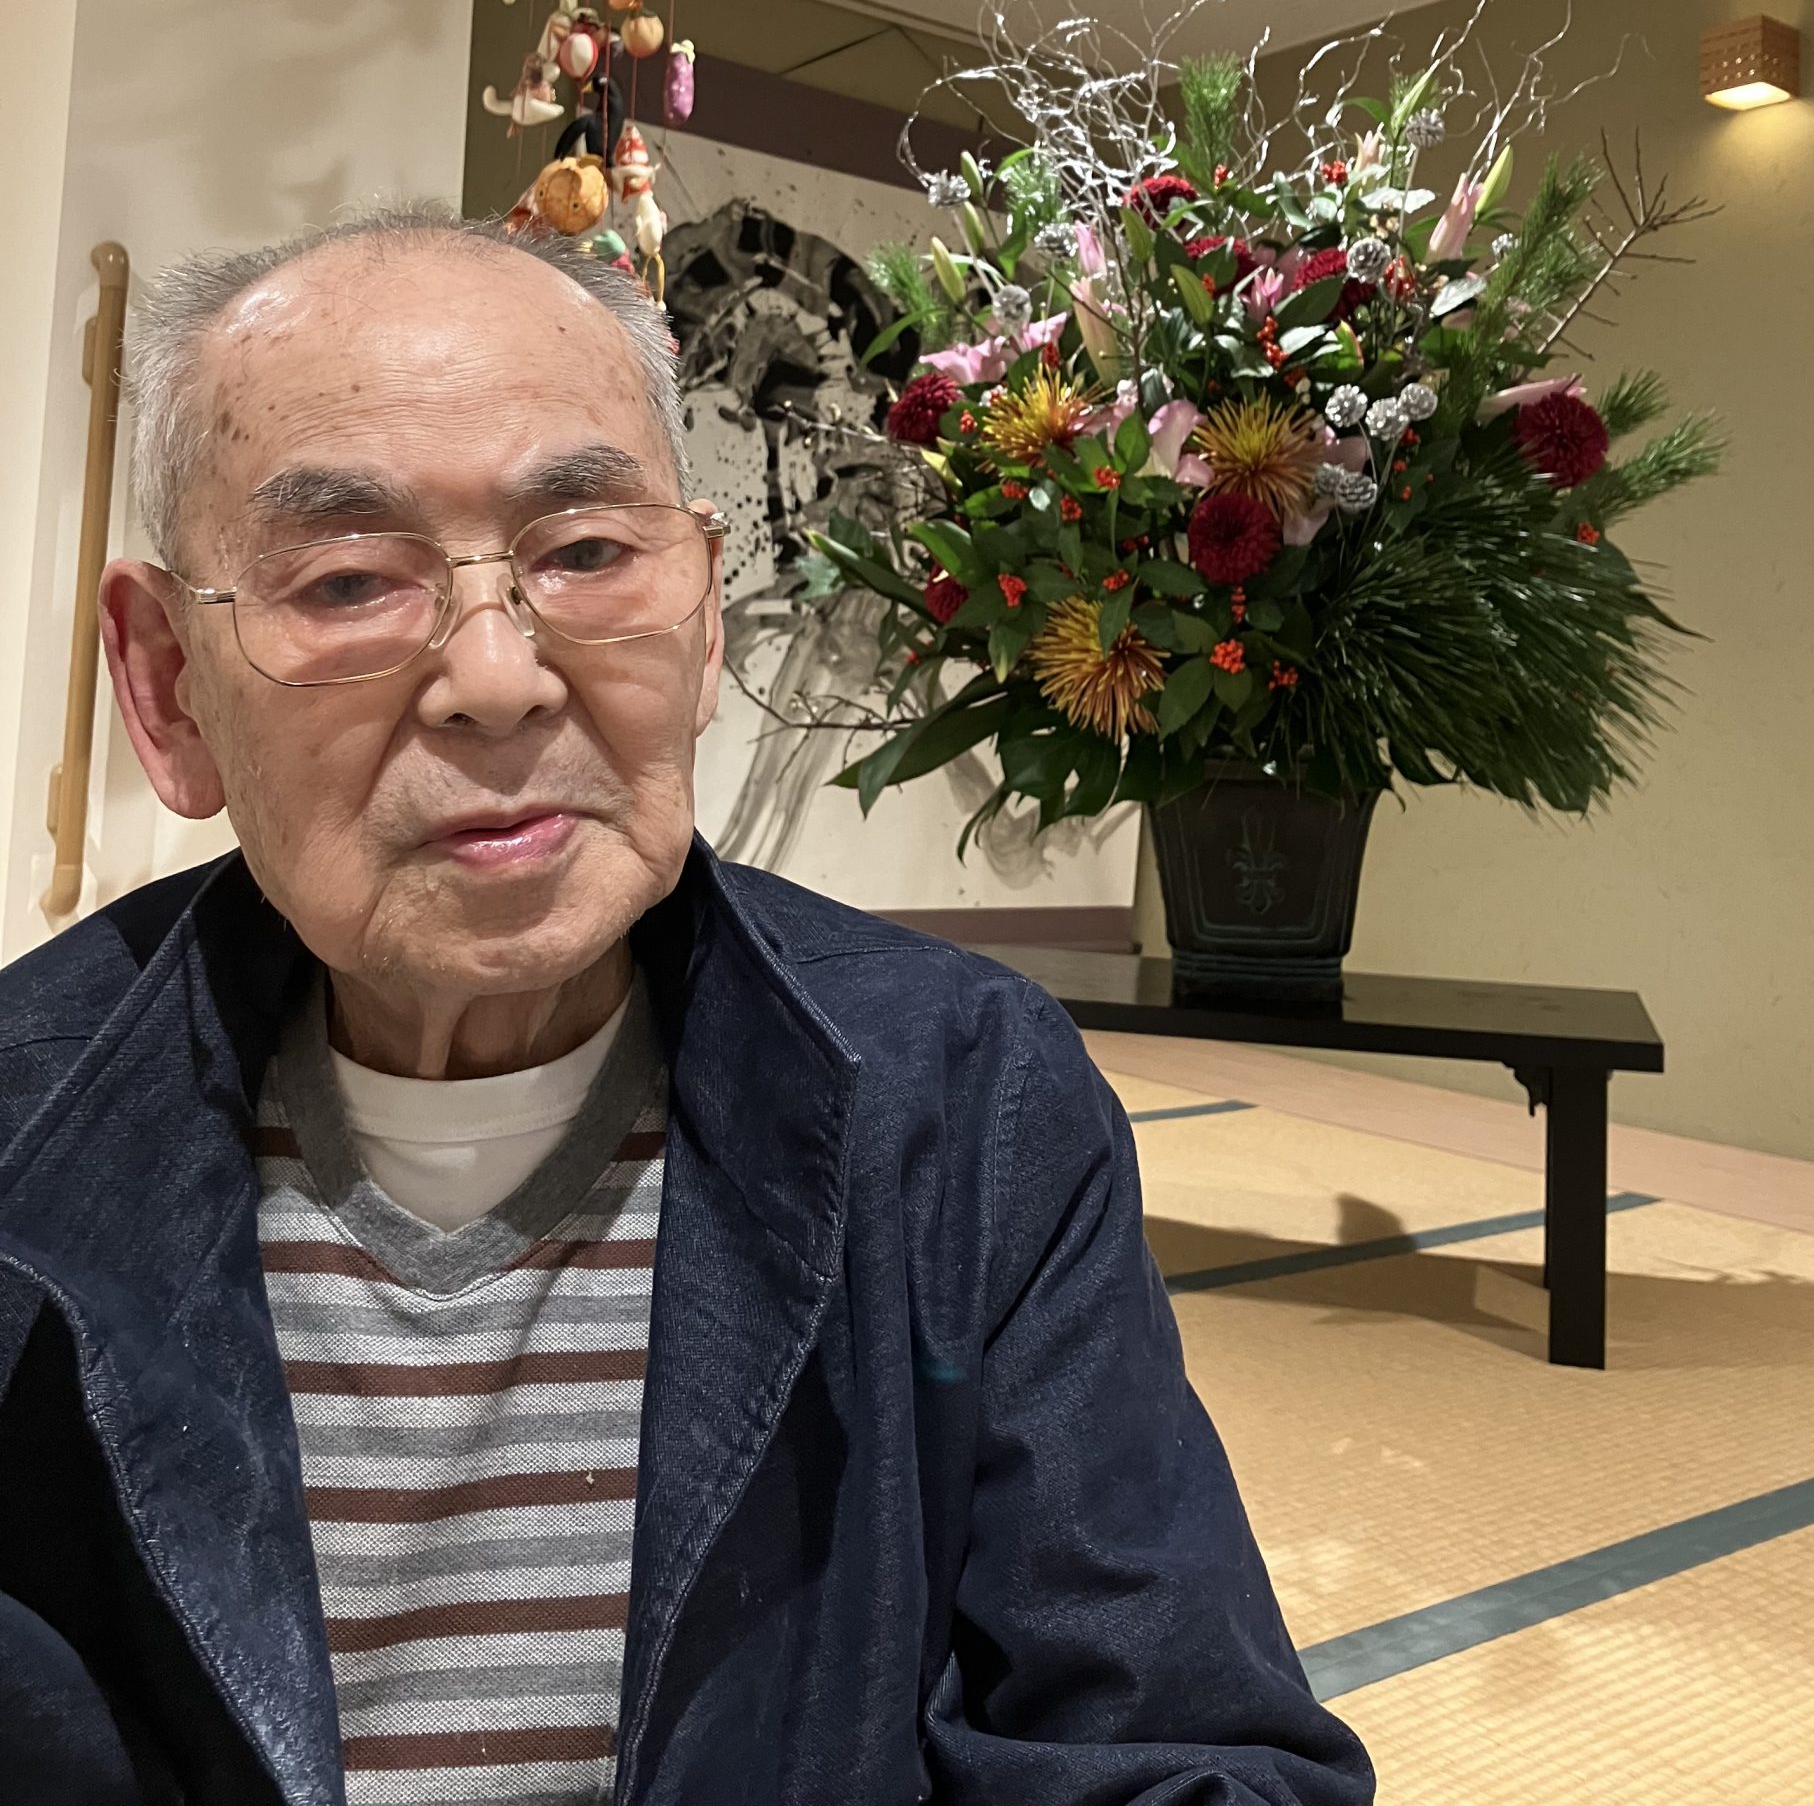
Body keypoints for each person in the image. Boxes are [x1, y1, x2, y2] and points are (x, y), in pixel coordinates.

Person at [0, 205, 1374, 1806]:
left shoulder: (963, 1102)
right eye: (351, 578)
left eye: (588, 555)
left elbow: (1174, 1745)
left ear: (708, 618)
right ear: (169, 687)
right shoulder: (22, 1135)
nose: (497, 678)